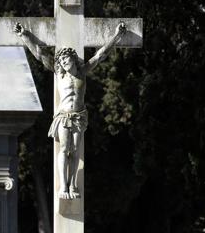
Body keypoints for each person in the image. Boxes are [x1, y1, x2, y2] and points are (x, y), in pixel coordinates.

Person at [16, 21, 128, 199]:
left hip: (79, 116)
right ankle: (63, 186)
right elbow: (39, 54)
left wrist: (117, 36)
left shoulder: (82, 71)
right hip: (63, 116)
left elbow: (101, 54)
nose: (63, 62)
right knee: (64, 149)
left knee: (75, 150)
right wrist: (24, 35)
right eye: (61, 60)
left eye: (66, 59)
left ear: (73, 58)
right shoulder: (59, 73)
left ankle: (73, 184)